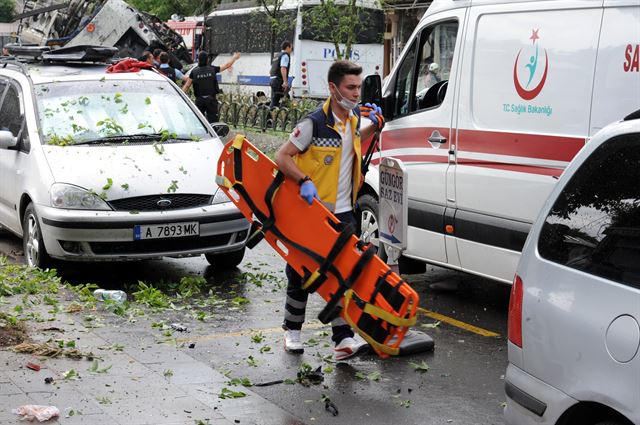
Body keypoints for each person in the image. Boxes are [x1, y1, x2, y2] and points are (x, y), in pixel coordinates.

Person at [274, 60, 384, 360]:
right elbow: (282, 156)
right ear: (333, 88)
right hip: (313, 213)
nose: (356, 93)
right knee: (301, 273)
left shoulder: (351, 121)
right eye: (351, 87)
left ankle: (342, 340)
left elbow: (353, 144)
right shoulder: (313, 123)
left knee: (342, 275)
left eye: (359, 87)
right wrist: (304, 180)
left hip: (345, 213)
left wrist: (374, 123)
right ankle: (292, 331)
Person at [182, 50, 240, 123]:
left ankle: (201, 133)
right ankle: (214, 133)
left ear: (198, 60)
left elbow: (187, 86)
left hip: (200, 101)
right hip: (211, 100)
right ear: (207, 60)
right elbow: (227, 65)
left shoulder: (194, 72)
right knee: (213, 121)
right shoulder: (212, 69)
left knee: (199, 121)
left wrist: (179, 96)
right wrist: (234, 57)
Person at [269, 41, 293, 108]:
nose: (291, 50)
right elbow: (283, 68)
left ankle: (273, 115)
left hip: (272, 79)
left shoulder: (277, 55)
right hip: (278, 80)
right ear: (287, 47)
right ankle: (285, 115)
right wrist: (285, 82)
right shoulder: (285, 55)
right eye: (291, 48)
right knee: (284, 98)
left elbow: (272, 69)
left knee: (277, 99)